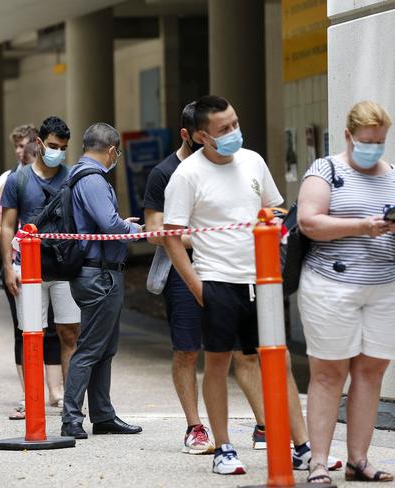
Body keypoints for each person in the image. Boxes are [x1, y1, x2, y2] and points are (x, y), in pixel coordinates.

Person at [163, 95, 283, 474]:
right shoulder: (185, 176)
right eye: (224, 129)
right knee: (217, 363)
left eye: (235, 123)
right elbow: (170, 236)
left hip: (259, 280)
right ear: (202, 136)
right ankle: (224, 448)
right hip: (217, 280)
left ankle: (283, 437)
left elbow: (274, 210)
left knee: (269, 361)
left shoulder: (254, 161)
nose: (234, 132)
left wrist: (275, 257)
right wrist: (200, 288)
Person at [297, 101, 395, 484]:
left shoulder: (392, 176)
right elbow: (309, 222)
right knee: (329, 372)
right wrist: (362, 227)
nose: (373, 147)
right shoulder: (326, 170)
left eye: (380, 141)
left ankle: (359, 460)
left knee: (371, 372)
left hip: (383, 287)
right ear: (348, 135)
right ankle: (318, 462)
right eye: (367, 140)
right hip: (330, 285)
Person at [60, 122, 143, 440]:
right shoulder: (93, 178)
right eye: (116, 152)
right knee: (91, 348)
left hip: (95, 271)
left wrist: (121, 224)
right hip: (100, 274)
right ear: (111, 150)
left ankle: (103, 414)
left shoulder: (76, 173)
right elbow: (109, 225)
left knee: (104, 348)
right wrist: (136, 231)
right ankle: (71, 418)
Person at [1, 117, 80, 417]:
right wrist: (8, 267)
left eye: (62, 148)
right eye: (52, 146)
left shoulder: (72, 177)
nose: (57, 152)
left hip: (64, 268)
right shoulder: (18, 180)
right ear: (38, 143)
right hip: (28, 269)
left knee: (70, 332)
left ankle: (71, 400)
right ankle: (30, 398)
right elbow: (8, 225)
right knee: (30, 333)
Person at [0, 126, 63, 420]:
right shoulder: (8, 180)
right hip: (20, 262)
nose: (22, 150)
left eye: (26, 144)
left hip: (54, 261)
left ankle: (56, 392)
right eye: (17, 146)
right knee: (25, 329)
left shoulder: (59, 176)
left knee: (56, 328)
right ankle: (28, 394)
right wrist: (22, 239)